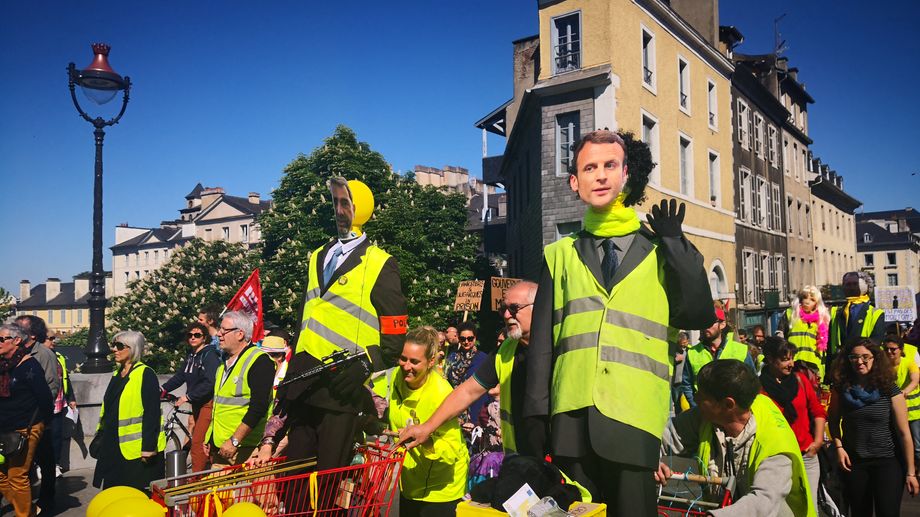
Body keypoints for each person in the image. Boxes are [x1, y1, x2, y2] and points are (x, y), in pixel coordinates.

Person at [523, 130, 716, 512]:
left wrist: (676, 244)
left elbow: (697, 314)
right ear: (574, 182)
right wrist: (535, 421)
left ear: (626, 174)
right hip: (571, 422)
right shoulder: (559, 254)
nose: (600, 175)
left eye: (609, 165)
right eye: (589, 167)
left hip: (635, 418)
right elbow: (542, 345)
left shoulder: (660, 249)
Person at [281, 177, 407, 472]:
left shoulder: (380, 263)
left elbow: (395, 336)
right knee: (293, 485)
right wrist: (289, 378)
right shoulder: (316, 258)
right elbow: (304, 322)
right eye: (335, 202)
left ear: (360, 208)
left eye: (345, 203)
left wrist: (366, 363)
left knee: (330, 486)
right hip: (304, 385)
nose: (338, 210)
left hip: (343, 390)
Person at [400, 281, 544, 456]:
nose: (506, 315)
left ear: (539, 308)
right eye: (502, 309)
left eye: (514, 308)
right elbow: (467, 392)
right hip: (521, 460)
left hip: (559, 464)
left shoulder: (558, 345)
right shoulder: (506, 350)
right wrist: (426, 428)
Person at [657, 359, 816, 516]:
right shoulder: (705, 416)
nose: (695, 398)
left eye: (702, 395)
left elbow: (763, 503)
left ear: (728, 404)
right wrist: (651, 461)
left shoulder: (774, 443)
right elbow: (661, 437)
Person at [827, 338, 919, 515]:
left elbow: (904, 434)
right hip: (854, 463)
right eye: (854, 357)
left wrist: (911, 473)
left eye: (865, 357)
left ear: (875, 358)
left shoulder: (889, 389)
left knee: (888, 512)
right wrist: (839, 447)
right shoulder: (841, 389)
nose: (859, 362)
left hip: (887, 463)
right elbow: (833, 420)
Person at [390, 326, 468, 516]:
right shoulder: (397, 377)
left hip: (441, 488)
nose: (406, 366)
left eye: (414, 361)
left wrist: (426, 440)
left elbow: (451, 451)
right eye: (403, 358)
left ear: (431, 361)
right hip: (410, 481)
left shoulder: (441, 394)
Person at [92, 331, 166, 492]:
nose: (114, 350)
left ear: (132, 348)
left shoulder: (145, 374)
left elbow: (151, 413)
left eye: (119, 346)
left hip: (135, 451)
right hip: (113, 445)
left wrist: (148, 447)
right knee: (114, 492)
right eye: (113, 345)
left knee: (134, 493)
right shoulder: (116, 374)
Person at [759, 337, 826, 513]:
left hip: (806, 455)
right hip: (777, 458)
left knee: (810, 508)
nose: (791, 363)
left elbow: (818, 411)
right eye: (785, 359)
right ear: (771, 359)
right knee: (783, 511)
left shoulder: (800, 380)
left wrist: (817, 441)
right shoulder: (759, 387)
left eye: (791, 358)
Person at [204, 311, 275, 467]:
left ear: (240, 334)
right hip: (222, 448)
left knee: (257, 492)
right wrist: (210, 438)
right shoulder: (223, 365)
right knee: (215, 492)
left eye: (224, 330)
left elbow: (259, 407)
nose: (219, 334)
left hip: (248, 451)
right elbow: (219, 407)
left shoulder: (260, 361)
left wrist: (234, 440)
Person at [0, 324, 53, 517]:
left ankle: (24, 515)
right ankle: (29, 509)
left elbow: (46, 398)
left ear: (16, 341)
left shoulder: (29, 365)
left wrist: (41, 425)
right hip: (5, 427)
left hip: (25, 427)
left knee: (17, 475)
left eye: (2, 339)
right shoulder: (4, 366)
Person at [14, 315, 61, 512]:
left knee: (45, 459)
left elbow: (52, 386)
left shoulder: (44, 354)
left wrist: (38, 413)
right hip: (16, 419)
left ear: (31, 334)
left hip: (36, 419)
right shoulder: (15, 352)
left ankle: (47, 501)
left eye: (18, 328)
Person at [160, 321, 221, 472]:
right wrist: (163, 389)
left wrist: (188, 397)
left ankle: (196, 482)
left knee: (198, 443)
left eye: (197, 335)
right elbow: (181, 376)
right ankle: (210, 473)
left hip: (208, 403)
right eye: (190, 335)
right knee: (204, 442)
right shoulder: (191, 355)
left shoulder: (209, 355)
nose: (193, 338)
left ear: (204, 337)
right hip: (197, 404)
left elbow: (210, 382)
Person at [680, 304, 755, 409]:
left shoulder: (740, 350)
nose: (705, 326)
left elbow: (752, 381)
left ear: (722, 324)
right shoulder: (693, 352)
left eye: (710, 322)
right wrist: (697, 407)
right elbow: (687, 384)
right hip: (705, 412)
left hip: (734, 412)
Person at [826, 272, 886, 377]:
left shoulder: (875, 313)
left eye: (854, 284)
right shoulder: (836, 312)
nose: (851, 287)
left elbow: (876, 341)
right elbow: (830, 344)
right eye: (847, 284)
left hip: (864, 367)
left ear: (864, 286)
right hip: (841, 368)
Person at [443, 322, 490, 438]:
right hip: (455, 409)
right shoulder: (452, 358)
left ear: (475, 338)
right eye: (462, 339)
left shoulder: (483, 359)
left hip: (476, 410)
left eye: (470, 338)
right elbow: (445, 382)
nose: (466, 342)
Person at [779, 286, 831, 387]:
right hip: (792, 365)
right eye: (805, 297)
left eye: (812, 299)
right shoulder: (790, 314)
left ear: (817, 303)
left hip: (814, 368)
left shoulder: (823, 319)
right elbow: (780, 339)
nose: (807, 302)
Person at [886, 335, 920, 476]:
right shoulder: (884, 366)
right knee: (901, 443)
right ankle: (907, 469)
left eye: (893, 349)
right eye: (886, 349)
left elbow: (915, 380)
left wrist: (905, 391)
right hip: (896, 412)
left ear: (901, 350)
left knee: (917, 445)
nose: (889, 352)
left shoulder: (908, 363)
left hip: (914, 412)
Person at [44, 332, 77, 477]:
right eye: (50, 338)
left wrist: (71, 398)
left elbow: (65, 378)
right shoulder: (36, 357)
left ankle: (55, 464)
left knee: (57, 436)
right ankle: (41, 465)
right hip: (44, 405)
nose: (54, 341)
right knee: (43, 438)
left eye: (54, 338)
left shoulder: (59, 357)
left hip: (58, 404)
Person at [671, 331, 690, 411]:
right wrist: (675, 360)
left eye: (684, 342)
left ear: (688, 341)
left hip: (685, 383)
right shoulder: (674, 351)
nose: (682, 345)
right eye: (681, 343)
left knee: (687, 404)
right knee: (677, 403)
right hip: (676, 382)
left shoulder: (690, 351)